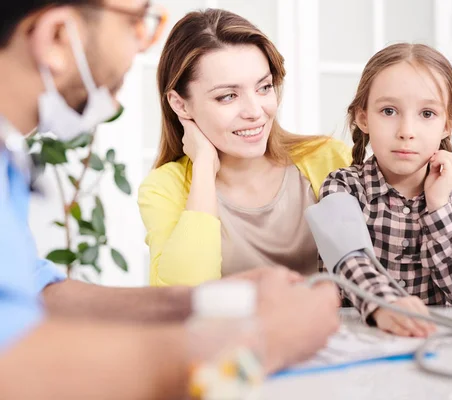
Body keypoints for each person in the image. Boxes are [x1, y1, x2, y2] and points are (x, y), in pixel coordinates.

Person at [0, 2, 340, 398]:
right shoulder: (167, 185)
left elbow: (38, 291)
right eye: (137, 23)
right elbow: (15, 372)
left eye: (263, 87)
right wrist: (263, 342)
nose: (143, 46)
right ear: (57, 36)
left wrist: (202, 301)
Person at [137, 9, 351, 287]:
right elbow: (182, 295)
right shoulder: (164, 188)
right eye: (228, 96)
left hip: (337, 330)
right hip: (228, 332)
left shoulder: (328, 159)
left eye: (264, 87)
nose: (255, 111)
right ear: (180, 104)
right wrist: (203, 166)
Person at [319, 43, 452, 338]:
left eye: (426, 113)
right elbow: (348, 260)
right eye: (389, 111)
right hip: (359, 344)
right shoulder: (342, 186)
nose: (406, 130)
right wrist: (386, 303)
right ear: (363, 118)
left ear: (446, 125)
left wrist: (438, 207)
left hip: (437, 345)